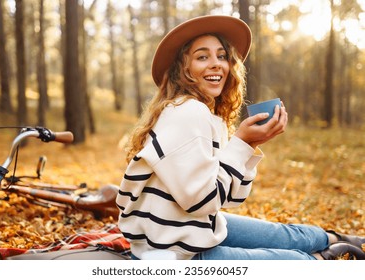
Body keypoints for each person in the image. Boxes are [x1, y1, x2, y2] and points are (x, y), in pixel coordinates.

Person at [115, 15, 365, 260]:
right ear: (183, 69)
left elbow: (231, 198)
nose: (217, 64)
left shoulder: (209, 117)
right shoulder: (187, 112)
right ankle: (325, 258)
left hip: (194, 228)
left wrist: (250, 145)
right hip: (176, 254)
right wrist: (241, 143)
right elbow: (202, 202)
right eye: (202, 57)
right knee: (296, 260)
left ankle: (339, 240)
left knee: (286, 235)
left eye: (222, 56)